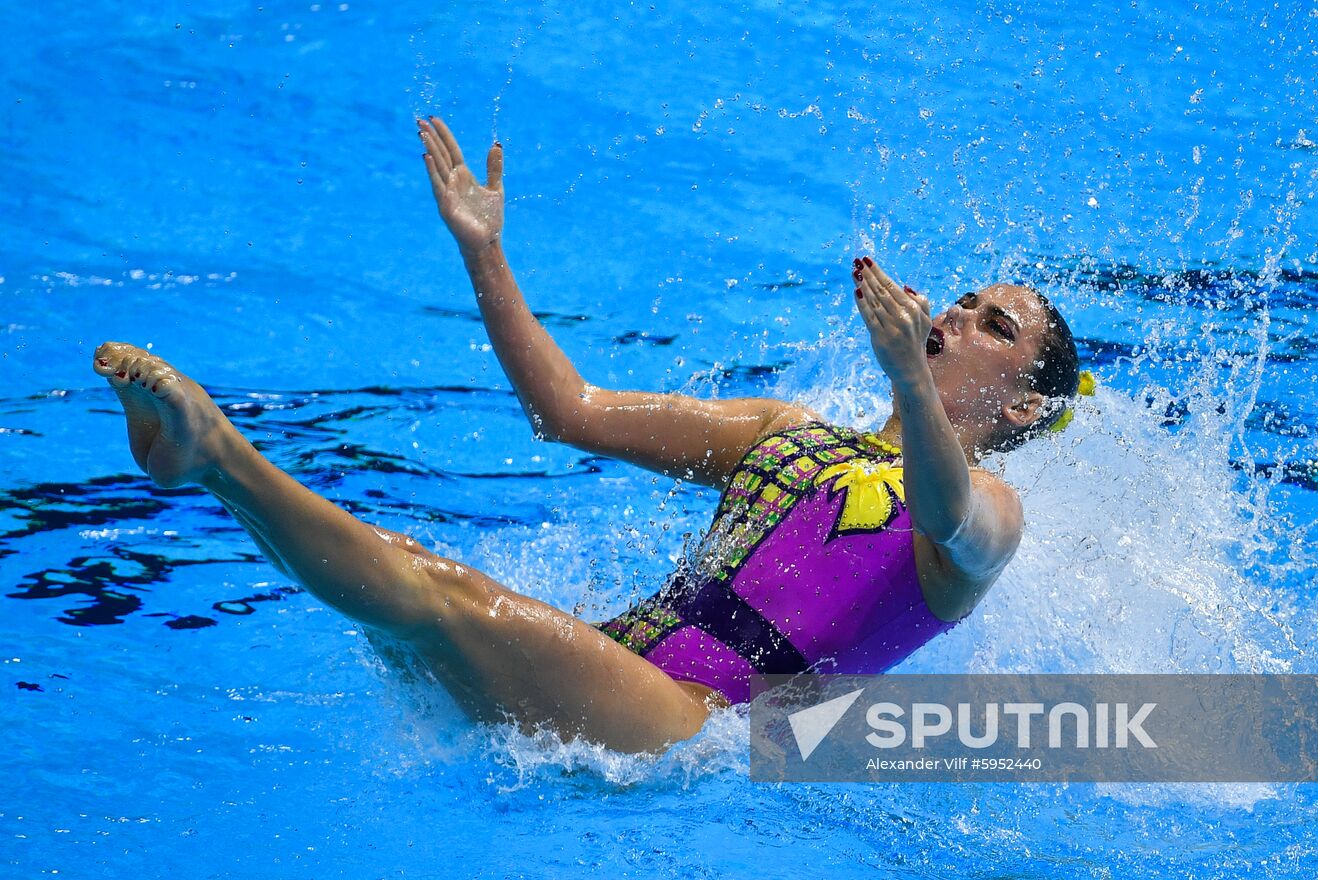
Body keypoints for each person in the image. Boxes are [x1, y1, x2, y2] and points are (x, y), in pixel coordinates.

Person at [91, 116, 1081, 755]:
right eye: (962, 300)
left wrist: (906, 374)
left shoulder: (989, 513)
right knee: (395, 587)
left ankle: (213, 452)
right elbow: (565, 410)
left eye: (994, 324)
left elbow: (950, 511)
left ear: (1025, 407)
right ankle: (206, 471)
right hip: (618, 668)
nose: (957, 315)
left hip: (695, 732)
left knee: (435, 593)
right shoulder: (787, 434)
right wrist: (483, 251)